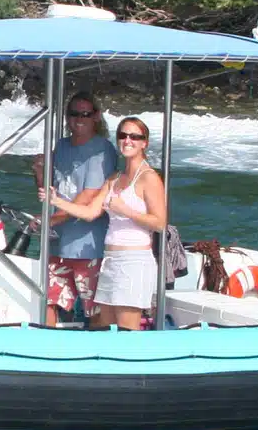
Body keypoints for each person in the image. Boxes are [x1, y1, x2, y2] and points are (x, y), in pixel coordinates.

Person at [47, 117, 168, 331]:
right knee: (105, 327)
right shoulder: (114, 178)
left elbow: (159, 223)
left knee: (126, 331)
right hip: (110, 261)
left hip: (134, 262)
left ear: (144, 143)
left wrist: (125, 210)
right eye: (123, 135)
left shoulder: (149, 178)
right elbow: (90, 212)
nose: (127, 140)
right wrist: (57, 201)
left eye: (134, 136)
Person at [34, 93, 115, 326]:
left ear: (96, 117)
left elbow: (88, 196)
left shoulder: (102, 150)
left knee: (94, 308)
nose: (79, 119)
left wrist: (50, 221)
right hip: (58, 242)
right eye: (74, 114)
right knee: (48, 299)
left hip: (88, 246)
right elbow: (48, 191)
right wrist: (40, 171)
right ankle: (45, 348)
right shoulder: (61, 146)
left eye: (85, 114)